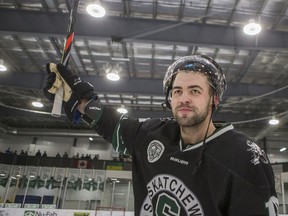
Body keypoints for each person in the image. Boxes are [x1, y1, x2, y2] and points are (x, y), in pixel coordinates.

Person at [43, 55, 278, 215]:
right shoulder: (152, 134)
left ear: (214, 99)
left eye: (195, 91)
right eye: (178, 91)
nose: (184, 98)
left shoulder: (245, 156)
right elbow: (111, 123)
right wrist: (80, 100)